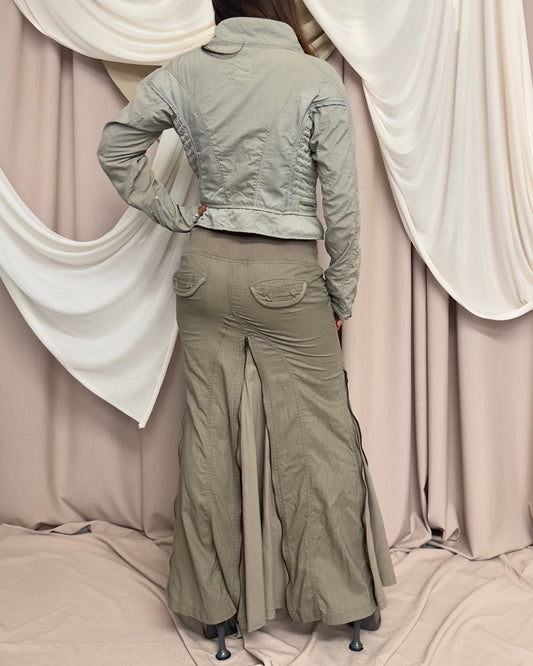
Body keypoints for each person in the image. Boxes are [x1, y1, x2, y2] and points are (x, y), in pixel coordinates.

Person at [97, 0, 396, 659]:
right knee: (319, 438)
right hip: (286, 277)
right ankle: (345, 601)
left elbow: (115, 147)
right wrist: (340, 293)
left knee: (208, 437)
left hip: (203, 272)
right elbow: (342, 205)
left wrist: (176, 215)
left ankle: (214, 611)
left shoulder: (183, 71)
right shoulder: (314, 79)